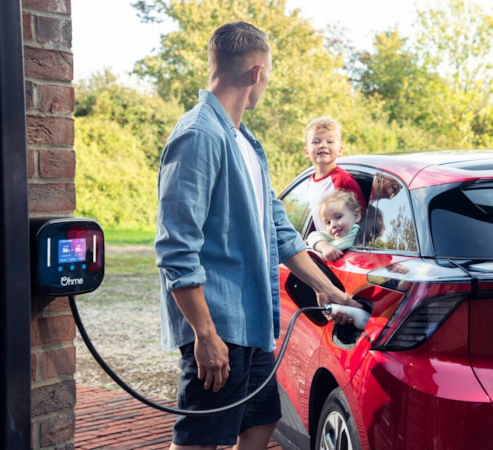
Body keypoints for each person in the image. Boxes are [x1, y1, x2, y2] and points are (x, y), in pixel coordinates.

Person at [154, 21, 359, 450]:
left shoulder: (245, 141)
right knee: (199, 440)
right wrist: (205, 336)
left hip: (255, 323)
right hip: (219, 326)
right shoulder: (198, 136)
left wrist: (327, 288)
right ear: (257, 73)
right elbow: (175, 249)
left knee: (262, 420)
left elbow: (279, 230)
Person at [304, 116, 366, 231]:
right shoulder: (310, 182)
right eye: (316, 141)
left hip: (341, 246)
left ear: (340, 150)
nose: (322, 145)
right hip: (323, 247)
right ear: (307, 152)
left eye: (330, 141)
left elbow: (361, 218)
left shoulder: (343, 180)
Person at [307, 189, 361, 261]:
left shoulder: (357, 232)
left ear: (356, 215)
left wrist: (320, 248)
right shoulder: (330, 237)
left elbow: (340, 246)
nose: (332, 225)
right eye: (328, 222)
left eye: (338, 217)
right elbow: (313, 236)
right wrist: (324, 247)